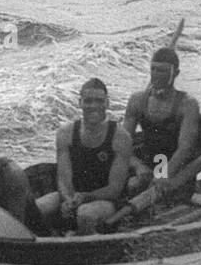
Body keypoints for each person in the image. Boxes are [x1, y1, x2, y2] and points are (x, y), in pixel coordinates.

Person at [35, 78, 133, 233]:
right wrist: (68, 199)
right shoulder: (65, 133)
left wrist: (85, 197)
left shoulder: (121, 137)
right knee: (38, 208)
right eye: (88, 101)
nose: (93, 106)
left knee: (85, 214)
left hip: (105, 200)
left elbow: (115, 189)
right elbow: (63, 178)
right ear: (80, 103)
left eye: (99, 101)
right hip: (74, 195)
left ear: (107, 103)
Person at [123, 47, 200, 204]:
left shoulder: (188, 105)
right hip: (148, 162)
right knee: (132, 184)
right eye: (153, 69)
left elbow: (185, 148)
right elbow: (122, 144)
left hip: (176, 168)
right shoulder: (137, 100)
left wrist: (164, 174)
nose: (156, 75)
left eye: (163, 71)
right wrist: (137, 166)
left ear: (176, 73)